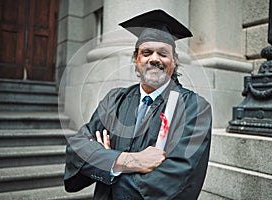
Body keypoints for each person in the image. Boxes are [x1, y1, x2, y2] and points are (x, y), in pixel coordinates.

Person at [64, 9, 212, 200]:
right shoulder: (115, 99)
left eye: (163, 53)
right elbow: (77, 149)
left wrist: (107, 164)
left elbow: (175, 180)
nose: (154, 59)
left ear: (174, 61)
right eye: (146, 52)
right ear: (136, 59)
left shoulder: (195, 108)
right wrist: (127, 161)